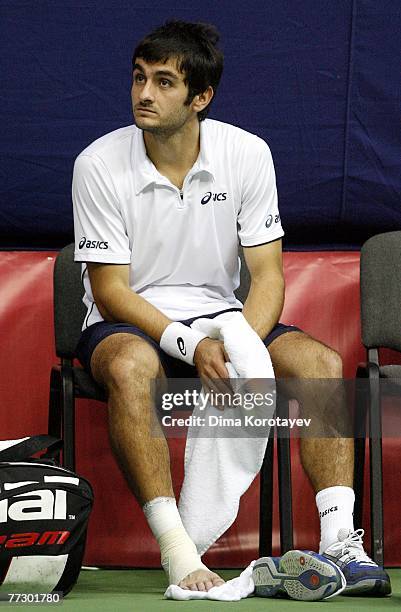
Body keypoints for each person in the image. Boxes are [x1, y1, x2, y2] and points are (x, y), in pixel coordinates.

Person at [72, 20, 391, 596]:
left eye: (164, 82)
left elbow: (267, 275)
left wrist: (239, 343)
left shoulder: (247, 153)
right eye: (139, 78)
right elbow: (113, 289)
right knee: (129, 368)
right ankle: (179, 551)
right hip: (128, 324)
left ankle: (342, 544)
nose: (144, 94)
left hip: (223, 317)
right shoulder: (97, 163)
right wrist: (189, 345)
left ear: (201, 98)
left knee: (318, 362)